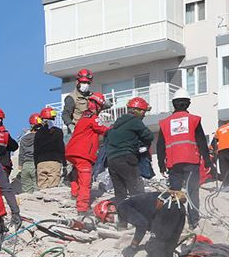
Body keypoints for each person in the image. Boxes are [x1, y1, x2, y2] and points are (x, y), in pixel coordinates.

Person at [156, 87, 211, 229]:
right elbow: (201, 141)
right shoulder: (193, 120)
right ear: (188, 104)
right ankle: (194, 222)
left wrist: (161, 165)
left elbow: (160, 146)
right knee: (192, 191)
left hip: (173, 163)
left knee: (175, 193)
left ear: (173, 104)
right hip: (191, 161)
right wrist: (208, 160)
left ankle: (176, 222)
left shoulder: (165, 122)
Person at [117, 190, 187, 257]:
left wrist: (133, 246)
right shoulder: (140, 201)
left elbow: (142, 224)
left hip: (167, 210)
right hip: (178, 209)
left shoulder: (123, 208)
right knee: (167, 250)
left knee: (156, 248)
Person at [103, 97, 154, 229]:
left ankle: (122, 224)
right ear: (137, 111)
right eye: (143, 111)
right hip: (126, 158)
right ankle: (143, 222)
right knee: (137, 191)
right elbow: (149, 136)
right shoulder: (134, 121)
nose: (144, 114)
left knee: (120, 194)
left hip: (112, 161)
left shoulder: (114, 125)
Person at [66, 93, 108, 215]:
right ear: (98, 105)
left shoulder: (83, 117)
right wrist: (115, 130)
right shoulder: (93, 118)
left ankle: (75, 193)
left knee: (76, 173)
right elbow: (103, 130)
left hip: (72, 151)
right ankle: (82, 208)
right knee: (86, 180)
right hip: (83, 153)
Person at [34, 107, 66, 189]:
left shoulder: (38, 133)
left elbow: (36, 150)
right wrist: (64, 163)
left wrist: (36, 165)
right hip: (54, 162)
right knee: (53, 189)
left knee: (42, 190)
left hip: (41, 163)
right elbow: (61, 147)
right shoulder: (58, 132)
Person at [62, 68, 94, 134]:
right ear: (77, 82)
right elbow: (65, 114)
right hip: (78, 132)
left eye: (88, 83)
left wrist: (107, 103)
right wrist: (70, 126)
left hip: (91, 130)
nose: (86, 85)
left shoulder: (92, 96)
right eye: (84, 82)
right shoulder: (71, 98)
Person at [18, 114, 41, 193]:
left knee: (27, 191)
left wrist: (20, 165)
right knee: (37, 190)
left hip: (25, 165)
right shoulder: (40, 137)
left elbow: (21, 153)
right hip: (35, 164)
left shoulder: (24, 138)